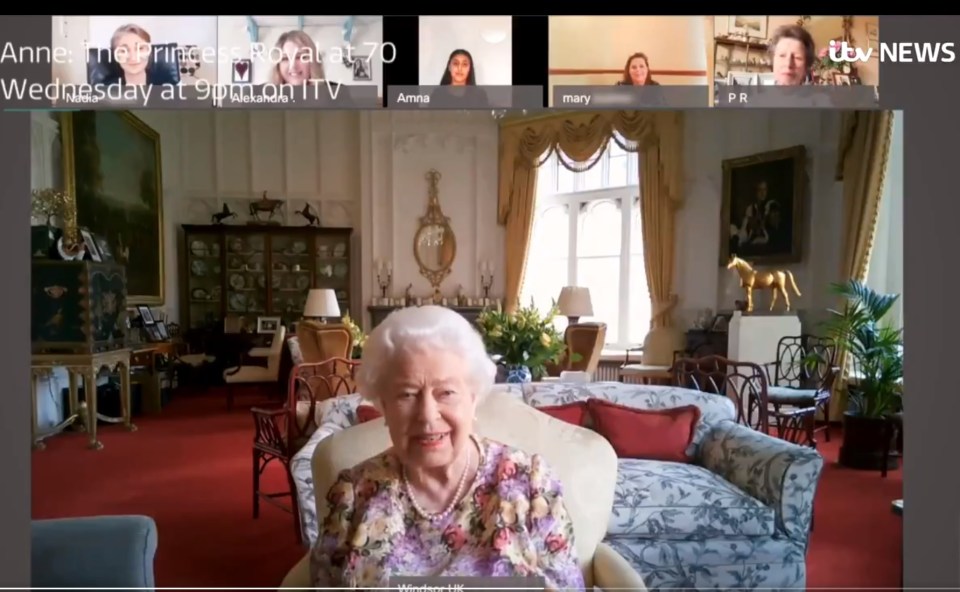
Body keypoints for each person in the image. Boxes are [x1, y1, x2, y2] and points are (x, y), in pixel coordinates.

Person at [309, 306, 584, 589]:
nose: (427, 415)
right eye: (407, 394)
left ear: (473, 399)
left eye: (446, 393)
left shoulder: (530, 484)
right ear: (384, 406)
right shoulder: (353, 496)